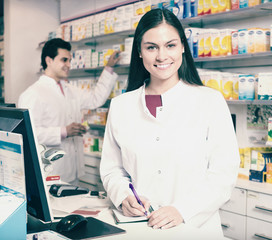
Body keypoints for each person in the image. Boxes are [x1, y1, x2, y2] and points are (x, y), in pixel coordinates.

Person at [100, 8, 240, 238]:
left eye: (170, 45)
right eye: (151, 47)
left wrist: (182, 210)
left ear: (183, 47)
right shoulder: (120, 106)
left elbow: (223, 174)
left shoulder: (209, 101)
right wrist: (123, 195)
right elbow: (112, 169)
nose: (161, 56)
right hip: (139, 228)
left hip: (195, 229)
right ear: (139, 51)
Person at [18, 38, 120, 184]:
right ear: (49, 60)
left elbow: (96, 99)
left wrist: (109, 68)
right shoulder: (33, 94)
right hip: (50, 173)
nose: (68, 65)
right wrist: (64, 131)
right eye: (64, 60)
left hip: (72, 171)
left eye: (69, 60)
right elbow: (28, 134)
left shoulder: (70, 90)